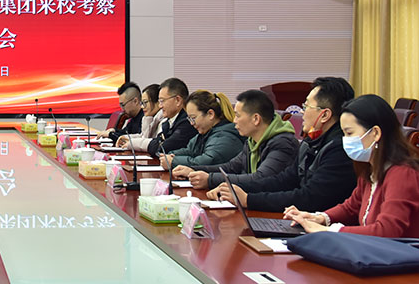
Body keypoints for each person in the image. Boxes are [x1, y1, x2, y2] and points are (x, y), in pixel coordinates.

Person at [284, 94, 419, 237]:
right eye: (343, 134)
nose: (345, 140)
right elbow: (351, 207)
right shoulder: (370, 168)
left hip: (400, 251)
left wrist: (327, 230)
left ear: (375, 133)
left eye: (349, 133)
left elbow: (387, 230)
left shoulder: (402, 174)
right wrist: (318, 218)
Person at [218, 77, 356, 213]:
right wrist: (235, 188)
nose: (302, 111)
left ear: (324, 115)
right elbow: (284, 180)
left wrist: (249, 200)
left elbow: (310, 198)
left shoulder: (339, 149)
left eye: (306, 106)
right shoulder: (311, 142)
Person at [174, 89, 299, 192]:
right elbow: (231, 167)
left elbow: (261, 178)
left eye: (238, 116)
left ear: (256, 119)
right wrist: (194, 170)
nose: (234, 121)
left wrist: (210, 179)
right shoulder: (252, 141)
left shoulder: (283, 143)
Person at [160, 90, 244, 171]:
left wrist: (173, 162)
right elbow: (190, 151)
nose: (191, 123)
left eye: (193, 118)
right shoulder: (205, 134)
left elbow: (207, 162)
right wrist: (172, 155)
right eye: (189, 119)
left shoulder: (225, 137)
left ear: (210, 114)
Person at [141, 78, 196, 158]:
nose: (160, 106)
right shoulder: (167, 122)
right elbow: (156, 143)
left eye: (162, 101)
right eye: (159, 101)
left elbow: (162, 149)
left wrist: (157, 145)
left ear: (178, 100)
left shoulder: (187, 122)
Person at [115, 84, 163, 149]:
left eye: (145, 102)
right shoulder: (149, 117)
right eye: (142, 103)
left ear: (158, 103)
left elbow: (154, 143)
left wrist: (131, 143)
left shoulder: (163, 121)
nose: (142, 106)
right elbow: (143, 136)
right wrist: (126, 137)